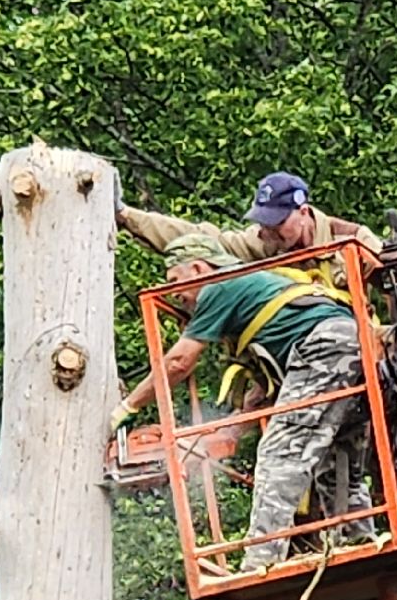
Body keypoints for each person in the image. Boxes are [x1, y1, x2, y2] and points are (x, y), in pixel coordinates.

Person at [110, 234, 377, 571]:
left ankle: (261, 559)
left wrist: (127, 407)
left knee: (279, 455)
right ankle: (357, 539)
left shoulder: (219, 286)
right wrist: (219, 436)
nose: (175, 293)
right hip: (356, 348)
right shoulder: (256, 299)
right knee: (337, 460)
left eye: (175, 281)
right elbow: (262, 399)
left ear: (197, 268)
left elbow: (179, 362)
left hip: (324, 348)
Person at [117, 172, 382, 289]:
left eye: (276, 222)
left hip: (350, 349)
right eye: (264, 222)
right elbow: (201, 240)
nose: (268, 231)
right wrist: (127, 216)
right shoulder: (262, 243)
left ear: (303, 213)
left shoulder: (353, 241)